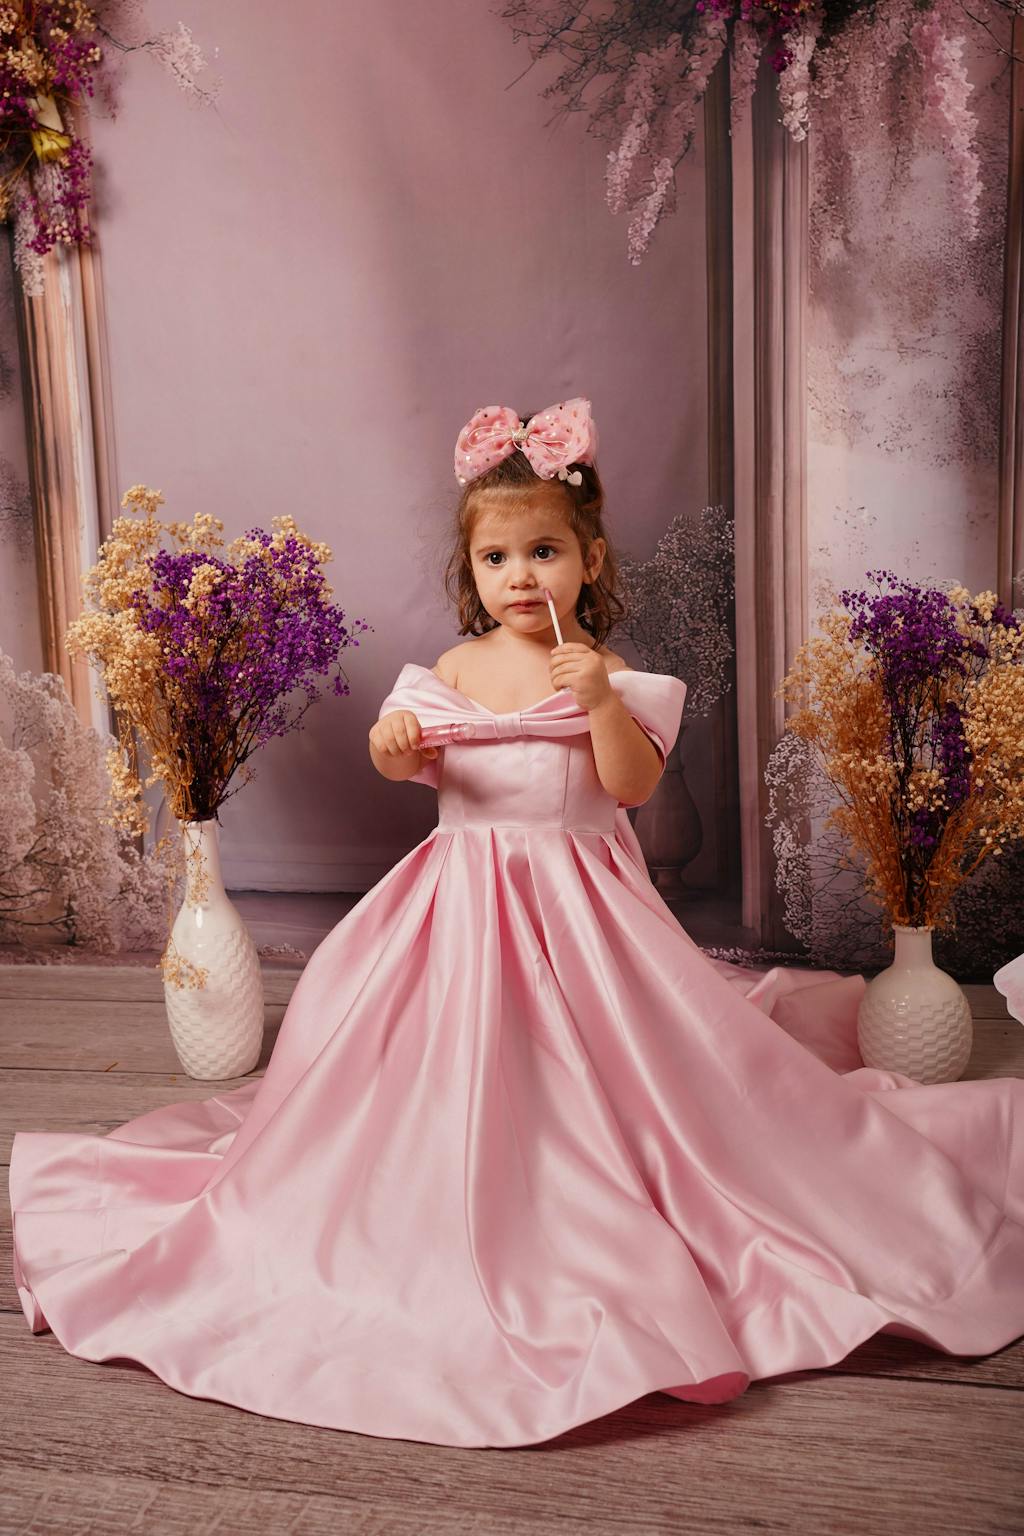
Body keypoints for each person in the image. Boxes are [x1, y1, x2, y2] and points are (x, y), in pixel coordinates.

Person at [9, 398, 1024, 1452]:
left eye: (544, 552)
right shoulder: (454, 669)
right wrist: (397, 748)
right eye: (497, 558)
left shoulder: (610, 673)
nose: (521, 576)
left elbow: (630, 788)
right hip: (462, 900)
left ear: (588, 559)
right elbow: (408, 756)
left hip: (581, 908)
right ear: (472, 571)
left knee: (620, 1067)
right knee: (432, 1062)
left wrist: (599, 701)